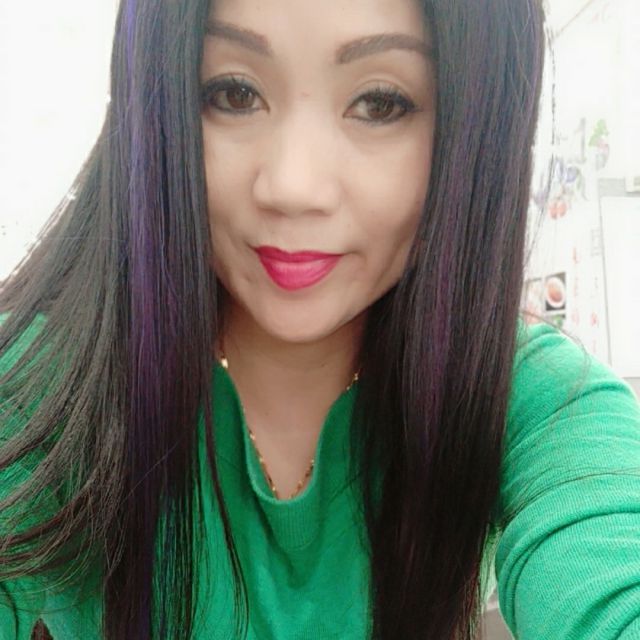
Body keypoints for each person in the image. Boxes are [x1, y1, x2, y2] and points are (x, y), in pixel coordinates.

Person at [1, 0, 639, 639]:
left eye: (380, 103)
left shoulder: (533, 402)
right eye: (234, 93)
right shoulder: (39, 391)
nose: (292, 186)